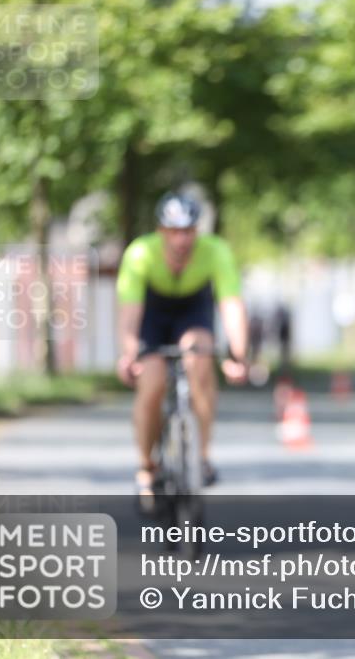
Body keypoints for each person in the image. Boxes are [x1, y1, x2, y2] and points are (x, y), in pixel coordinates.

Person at [116, 192, 249, 498]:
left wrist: (238, 355)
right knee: (151, 382)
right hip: (152, 314)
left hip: (192, 311)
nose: (182, 240)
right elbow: (129, 312)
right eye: (174, 231)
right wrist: (129, 353)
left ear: (197, 231)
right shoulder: (140, 253)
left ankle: (201, 457)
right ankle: (146, 466)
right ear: (161, 230)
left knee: (199, 359)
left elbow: (231, 305)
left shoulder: (215, 251)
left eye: (188, 231)